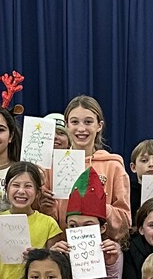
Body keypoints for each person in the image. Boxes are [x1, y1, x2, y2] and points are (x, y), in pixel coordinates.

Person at [45, 95, 132, 241]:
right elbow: (43, 221)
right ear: (67, 125)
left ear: (99, 125)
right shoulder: (51, 166)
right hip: (61, 249)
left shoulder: (113, 166)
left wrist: (99, 207)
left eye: (88, 122)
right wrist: (47, 207)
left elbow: (124, 222)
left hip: (100, 251)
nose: (81, 128)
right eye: (74, 122)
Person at [0, 162, 63, 279]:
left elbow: (54, 266)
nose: (21, 191)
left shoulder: (49, 223)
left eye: (28, 186)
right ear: (6, 189)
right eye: (16, 185)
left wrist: (38, 255)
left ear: (38, 192)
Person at [62, 171, 123, 279]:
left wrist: (111, 267)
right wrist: (53, 264)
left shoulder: (112, 251)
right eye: (73, 226)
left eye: (88, 226)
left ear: (103, 228)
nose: (80, 231)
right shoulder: (62, 251)